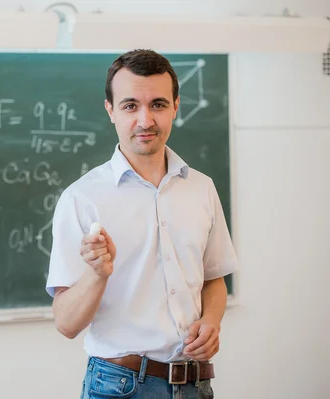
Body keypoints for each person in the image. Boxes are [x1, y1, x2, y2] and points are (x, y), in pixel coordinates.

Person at [45, 49, 238, 399]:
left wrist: (211, 321)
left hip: (195, 385)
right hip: (120, 386)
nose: (145, 120)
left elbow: (214, 279)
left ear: (176, 106)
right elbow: (66, 323)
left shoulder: (202, 188)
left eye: (159, 105)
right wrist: (98, 273)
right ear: (111, 110)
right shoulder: (82, 199)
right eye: (131, 105)